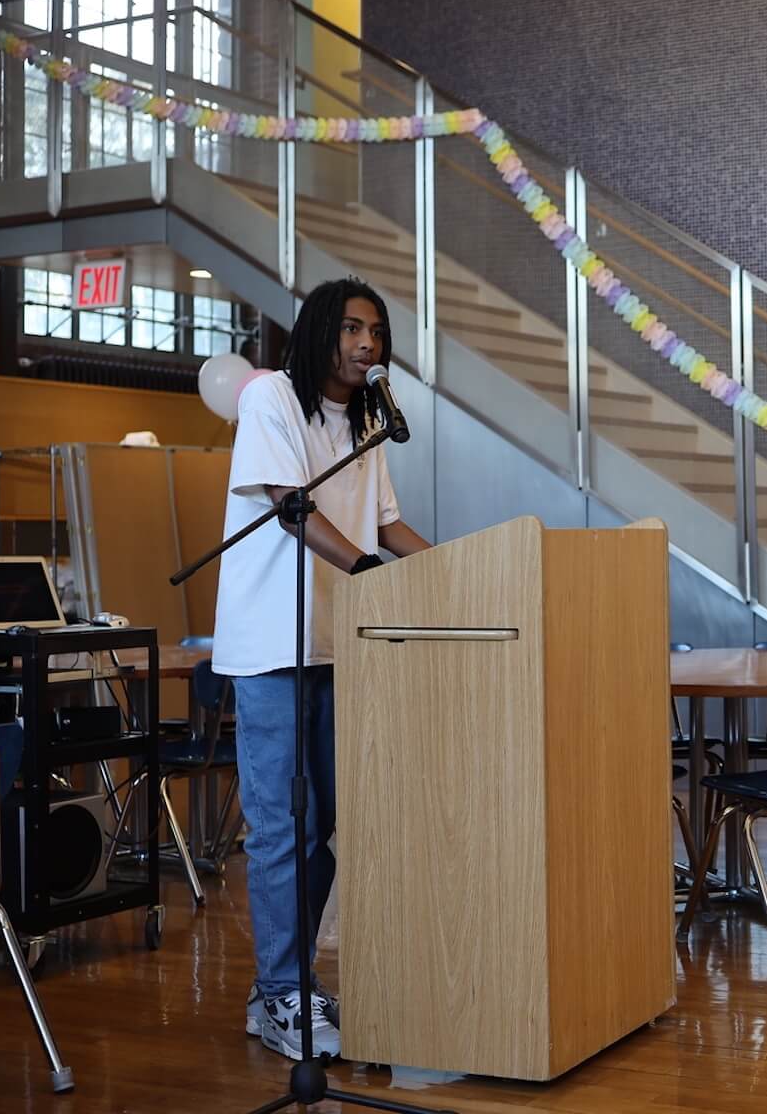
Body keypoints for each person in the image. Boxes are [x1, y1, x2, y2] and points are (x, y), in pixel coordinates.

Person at [211, 278, 431, 1061]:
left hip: (342, 645)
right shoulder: (271, 398)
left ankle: (288, 983)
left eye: (375, 332)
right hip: (272, 647)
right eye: (350, 329)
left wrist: (457, 568)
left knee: (333, 827)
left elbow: (386, 523)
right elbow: (286, 500)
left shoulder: (367, 419)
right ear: (318, 333)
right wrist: (367, 566)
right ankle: (278, 995)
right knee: (281, 829)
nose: (366, 344)